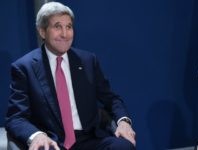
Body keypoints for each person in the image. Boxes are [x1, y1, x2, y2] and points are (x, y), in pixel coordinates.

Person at [5, 2, 136, 150]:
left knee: (123, 146)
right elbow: (16, 118)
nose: (65, 34)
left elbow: (111, 99)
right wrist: (36, 135)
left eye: (69, 27)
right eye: (57, 26)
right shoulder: (24, 67)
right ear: (42, 31)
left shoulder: (87, 61)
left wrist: (123, 121)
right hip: (52, 142)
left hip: (90, 139)